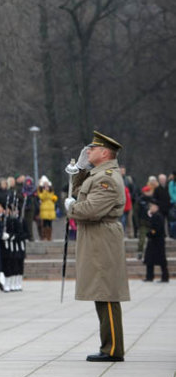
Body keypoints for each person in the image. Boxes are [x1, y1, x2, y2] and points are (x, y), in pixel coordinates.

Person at [64, 131, 129, 362]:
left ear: (104, 152)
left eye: (92, 149)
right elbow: (77, 193)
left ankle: (112, 349)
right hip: (97, 237)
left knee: (106, 292)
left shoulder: (107, 178)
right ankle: (108, 346)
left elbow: (91, 209)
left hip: (102, 237)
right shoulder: (97, 173)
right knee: (101, 293)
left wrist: (71, 208)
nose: (87, 152)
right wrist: (80, 170)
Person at [142, 197, 169, 283]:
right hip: (153, 241)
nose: (150, 208)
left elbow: (156, 229)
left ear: (156, 207)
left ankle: (164, 277)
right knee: (150, 260)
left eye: (152, 206)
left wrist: (150, 233)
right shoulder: (154, 215)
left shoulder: (158, 216)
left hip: (157, 241)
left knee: (161, 260)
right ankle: (149, 276)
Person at [37, 177, 57, 241]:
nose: (46, 185)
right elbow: (42, 197)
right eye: (45, 184)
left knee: (50, 224)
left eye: (47, 184)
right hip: (44, 208)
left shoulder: (51, 190)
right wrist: (45, 191)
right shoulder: (41, 190)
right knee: (45, 223)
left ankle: (49, 237)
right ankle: (44, 236)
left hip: (50, 209)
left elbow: (52, 197)